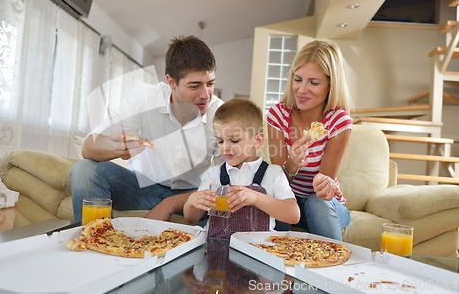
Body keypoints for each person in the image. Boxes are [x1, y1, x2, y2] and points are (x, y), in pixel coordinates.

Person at [70, 35, 224, 223]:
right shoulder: (145, 98)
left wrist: (169, 204)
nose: (205, 95)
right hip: (141, 189)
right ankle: (98, 239)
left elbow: (229, 181)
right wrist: (119, 148)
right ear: (171, 82)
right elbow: (88, 147)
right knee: (84, 171)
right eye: (195, 86)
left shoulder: (221, 114)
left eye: (210, 84)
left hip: (192, 197)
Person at [267, 39, 352, 241]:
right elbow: (278, 183)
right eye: (298, 79)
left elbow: (321, 188)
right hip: (289, 200)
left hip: (325, 204)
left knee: (316, 203)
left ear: (331, 85)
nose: (302, 90)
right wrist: (292, 165)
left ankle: (333, 266)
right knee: (277, 200)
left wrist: (329, 185)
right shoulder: (277, 115)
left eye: (313, 82)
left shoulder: (338, 121)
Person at [183, 98, 300, 238]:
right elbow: (191, 219)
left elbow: (293, 215)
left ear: (257, 141)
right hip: (216, 250)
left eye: (234, 140)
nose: (225, 147)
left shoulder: (273, 173)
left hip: (257, 252)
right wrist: (191, 202)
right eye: (220, 141)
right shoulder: (213, 174)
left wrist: (255, 198)